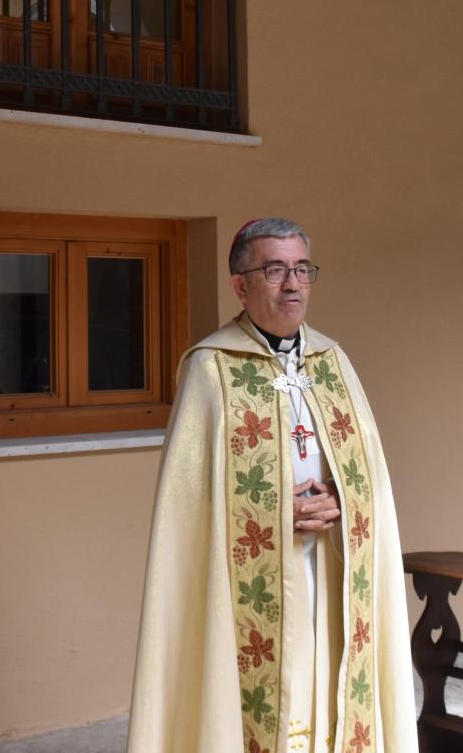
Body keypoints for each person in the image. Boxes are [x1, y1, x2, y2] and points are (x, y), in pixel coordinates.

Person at [128, 218, 415, 753]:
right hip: (251, 577)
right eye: (275, 269)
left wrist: (342, 498)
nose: (293, 284)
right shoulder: (211, 369)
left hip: (328, 569)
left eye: (302, 269)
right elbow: (188, 507)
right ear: (241, 285)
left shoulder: (333, 362)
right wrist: (269, 517)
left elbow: (369, 477)